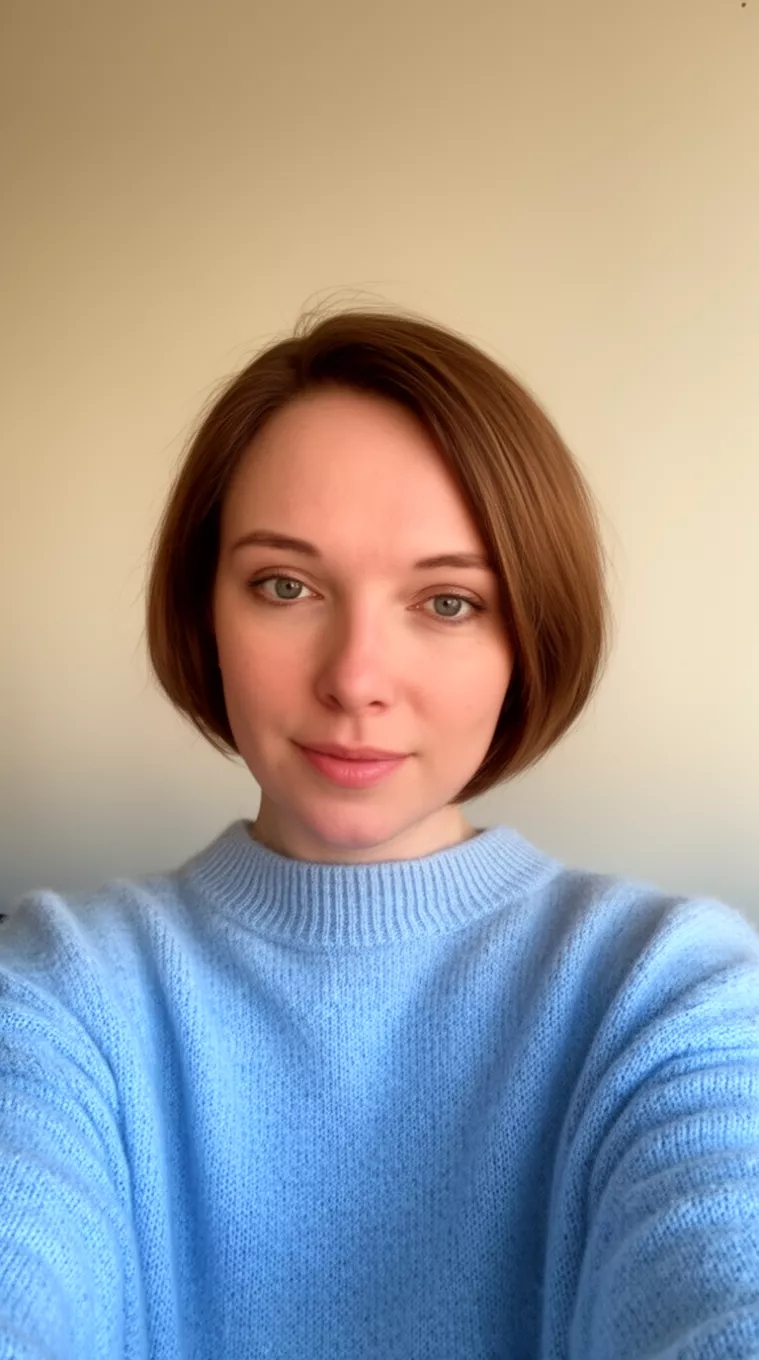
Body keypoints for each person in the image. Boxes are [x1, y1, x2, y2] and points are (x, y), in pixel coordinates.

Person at [1, 306, 758, 1359]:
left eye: (447, 602)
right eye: (285, 585)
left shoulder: (670, 989)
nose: (356, 678)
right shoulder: (53, 990)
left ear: (526, 640)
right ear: (202, 609)